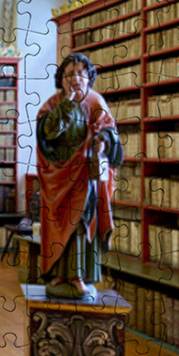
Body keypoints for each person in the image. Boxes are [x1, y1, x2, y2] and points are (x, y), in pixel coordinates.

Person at [36, 52, 125, 300]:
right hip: (59, 174)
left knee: (81, 222)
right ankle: (59, 273)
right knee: (57, 222)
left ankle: (78, 276)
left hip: (85, 174)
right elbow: (46, 134)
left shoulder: (96, 101)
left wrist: (102, 141)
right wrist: (67, 105)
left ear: (89, 78)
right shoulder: (53, 103)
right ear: (61, 79)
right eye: (69, 74)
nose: (75, 79)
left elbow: (110, 131)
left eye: (80, 74)